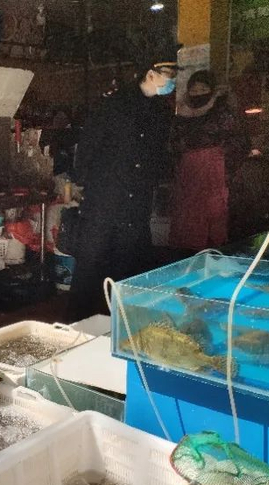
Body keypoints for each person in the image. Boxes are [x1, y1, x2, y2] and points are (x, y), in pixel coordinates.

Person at [67, 58, 178, 322]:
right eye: (168, 74)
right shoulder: (114, 104)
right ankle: (78, 324)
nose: (171, 80)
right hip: (105, 195)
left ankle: (121, 324)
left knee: (129, 263)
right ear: (150, 74)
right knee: (91, 262)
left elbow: (158, 153)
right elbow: (89, 145)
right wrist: (81, 181)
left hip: (137, 199)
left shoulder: (160, 112)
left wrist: (155, 180)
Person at [169, 70, 251, 252]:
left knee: (214, 222)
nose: (198, 93)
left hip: (216, 178)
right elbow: (173, 146)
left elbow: (240, 142)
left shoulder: (223, 114)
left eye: (203, 89)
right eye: (194, 90)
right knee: (187, 223)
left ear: (212, 90)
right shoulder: (181, 116)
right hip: (188, 178)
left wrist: (220, 162)